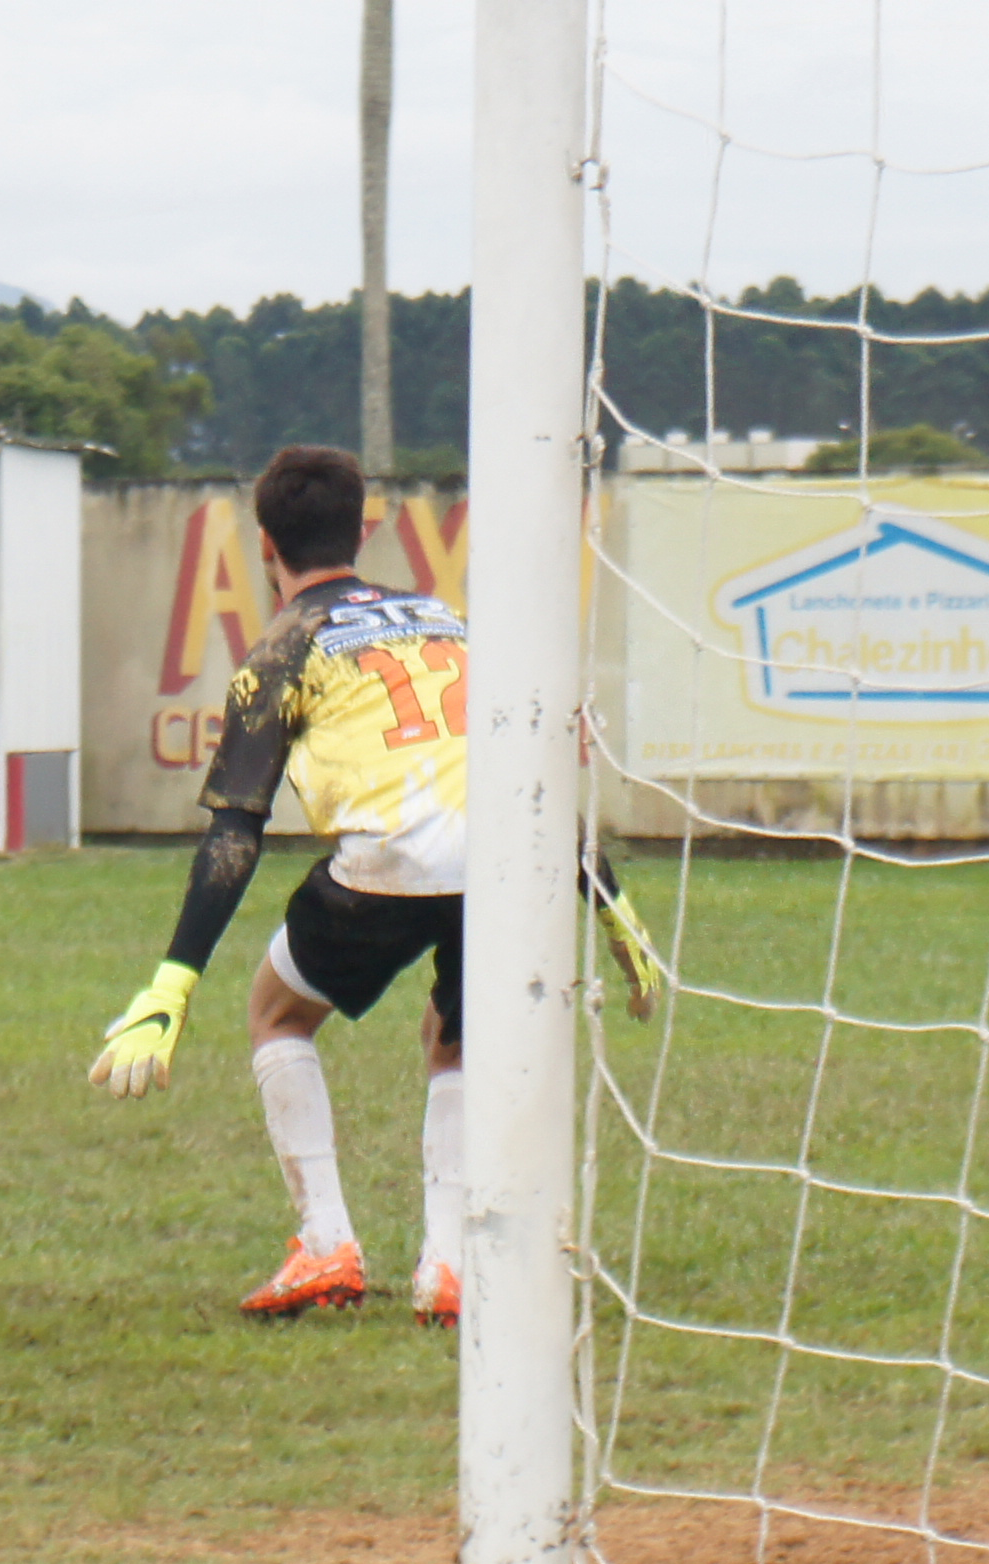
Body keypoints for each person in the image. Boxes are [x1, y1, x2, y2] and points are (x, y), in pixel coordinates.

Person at [85, 444, 660, 1322]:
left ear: (264, 544)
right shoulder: (447, 621)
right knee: (457, 1037)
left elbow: (235, 829)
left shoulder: (282, 647)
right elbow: (511, 770)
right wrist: (610, 899)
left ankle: (325, 1247)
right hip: (506, 864)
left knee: (278, 1012)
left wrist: (174, 980)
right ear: (363, 529)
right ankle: (450, 1268)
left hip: (386, 868)